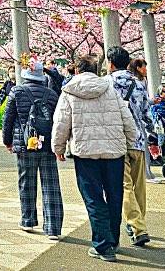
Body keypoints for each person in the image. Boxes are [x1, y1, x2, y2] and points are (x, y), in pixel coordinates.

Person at [50, 54, 137, 263]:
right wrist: (130, 142)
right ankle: (112, 240)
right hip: (113, 152)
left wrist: (58, 147)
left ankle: (102, 245)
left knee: (93, 197)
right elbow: (127, 118)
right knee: (115, 195)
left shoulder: (68, 91)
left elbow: (61, 122)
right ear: (97, 70)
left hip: (85, 152)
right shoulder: (110, 89)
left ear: (77, 71)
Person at [2, 60, 63, 240]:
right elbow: (59, 120)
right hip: (46, 144)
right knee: (50, 184)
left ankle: (28, 221)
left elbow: (8, 119)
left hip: (25, 144)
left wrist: (8, 141)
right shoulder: (52, 95)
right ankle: (53, 228)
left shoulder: (17, 91)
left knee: (26, 182)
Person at [109, 47, 155, 247]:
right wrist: (153, 135)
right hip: (137, 139)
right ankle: (138, 222)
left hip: (117, 140)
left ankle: (138, 227)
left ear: (110, 63)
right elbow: (147, 113)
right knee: (139, 186)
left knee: (125, 185)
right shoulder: (138, 84)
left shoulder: (106, 84)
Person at [130, 58, 157, 183]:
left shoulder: (142, 81)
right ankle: (145, 173)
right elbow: (142, 103)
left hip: (135, 119)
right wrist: (151, 126)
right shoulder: (137, 83)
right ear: (138, 68)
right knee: (142, 147)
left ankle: (146, 172)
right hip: (136, 120)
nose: (146, 70)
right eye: (144, 67)